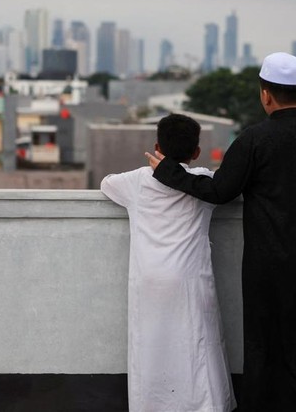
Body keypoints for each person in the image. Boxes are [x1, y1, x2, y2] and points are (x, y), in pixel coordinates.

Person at [146, 52, 296, 411]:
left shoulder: (253, 140)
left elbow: (220, 192)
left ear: (265, 95)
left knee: (269, 347)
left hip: (270, 266)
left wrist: (169, 172)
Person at [101, 114, 236, 412]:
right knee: (198, 345)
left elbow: (105, 183)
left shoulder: (135, 181)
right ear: (196, 152)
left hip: (148, 282)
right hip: (190, 279)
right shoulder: (203, 180)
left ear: (157, 146)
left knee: (149, 350)